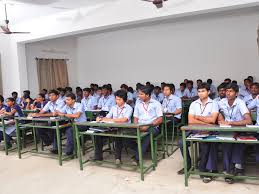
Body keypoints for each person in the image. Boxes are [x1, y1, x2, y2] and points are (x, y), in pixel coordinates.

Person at [177, 83, 219, 184]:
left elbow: (213, 120)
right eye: (199, 91)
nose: (200, 93)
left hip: (209, 130)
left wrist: (198, 117)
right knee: (181, 142)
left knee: (205, 144)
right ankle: (188, 164)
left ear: (208, 92)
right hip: (194, 129)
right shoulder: (194, 103)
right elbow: (191, 121)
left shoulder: (214, 103)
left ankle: (202, 168)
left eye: (203, 91)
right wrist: (206, 122)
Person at [218, 83, 252, 184]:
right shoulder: (221, 102)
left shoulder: (240, 102)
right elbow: (219, 116)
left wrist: (231, 122)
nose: (228, 93)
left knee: (238, 145)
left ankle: (236, 167)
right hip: (226, 130)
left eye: (231, 91)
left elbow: (248, 120)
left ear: (236, 93)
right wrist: (222, 120)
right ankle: (228, 170)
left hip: (239, 130)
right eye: (227, 91)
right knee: (226, 146)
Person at [93, 90, 133, 164]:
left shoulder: (129, 108)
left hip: (124, 128)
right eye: (116, 99)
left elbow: (124, 120)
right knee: (97, 134)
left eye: (119, 99)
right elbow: (107, 117)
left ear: (124, 99)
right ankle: (98, 157)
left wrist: (111, 120)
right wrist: (101, 118)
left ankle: (117, 158)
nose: (117, 101)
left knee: (118, 136)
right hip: (112, 127)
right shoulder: (113, 107)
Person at [129, 85, 163, 165]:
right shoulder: (138, 104)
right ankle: (144, 150)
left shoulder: (156, 104)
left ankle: (137, 158)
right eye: (138, 94)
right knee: (126, 136)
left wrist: (147, 126)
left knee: (147, 136)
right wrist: (136, 126)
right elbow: (135, 118)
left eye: (141, 94)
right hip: (139, 126)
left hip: (152, 127)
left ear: (147, 95)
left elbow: (160, 119)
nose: (138, 96)